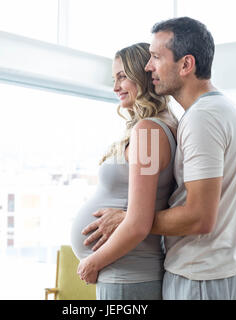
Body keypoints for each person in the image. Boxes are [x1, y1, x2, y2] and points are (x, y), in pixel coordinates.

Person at [81, 17, 236, 300]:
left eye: (156, 58)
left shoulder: (199, 119)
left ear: (186, 65)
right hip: (211, 272)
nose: (150, 68)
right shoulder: (212, 111)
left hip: (199, 277)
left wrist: (128, 221)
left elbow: (199, 217)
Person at [70, 42, 178, 300]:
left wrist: (93, 262)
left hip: (128, 279)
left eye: (122, 77)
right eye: (114, 78)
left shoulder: (150, 132)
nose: (115, 87)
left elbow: (139, 223)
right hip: (126, 276)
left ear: (143, 75)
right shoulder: (154, 127)